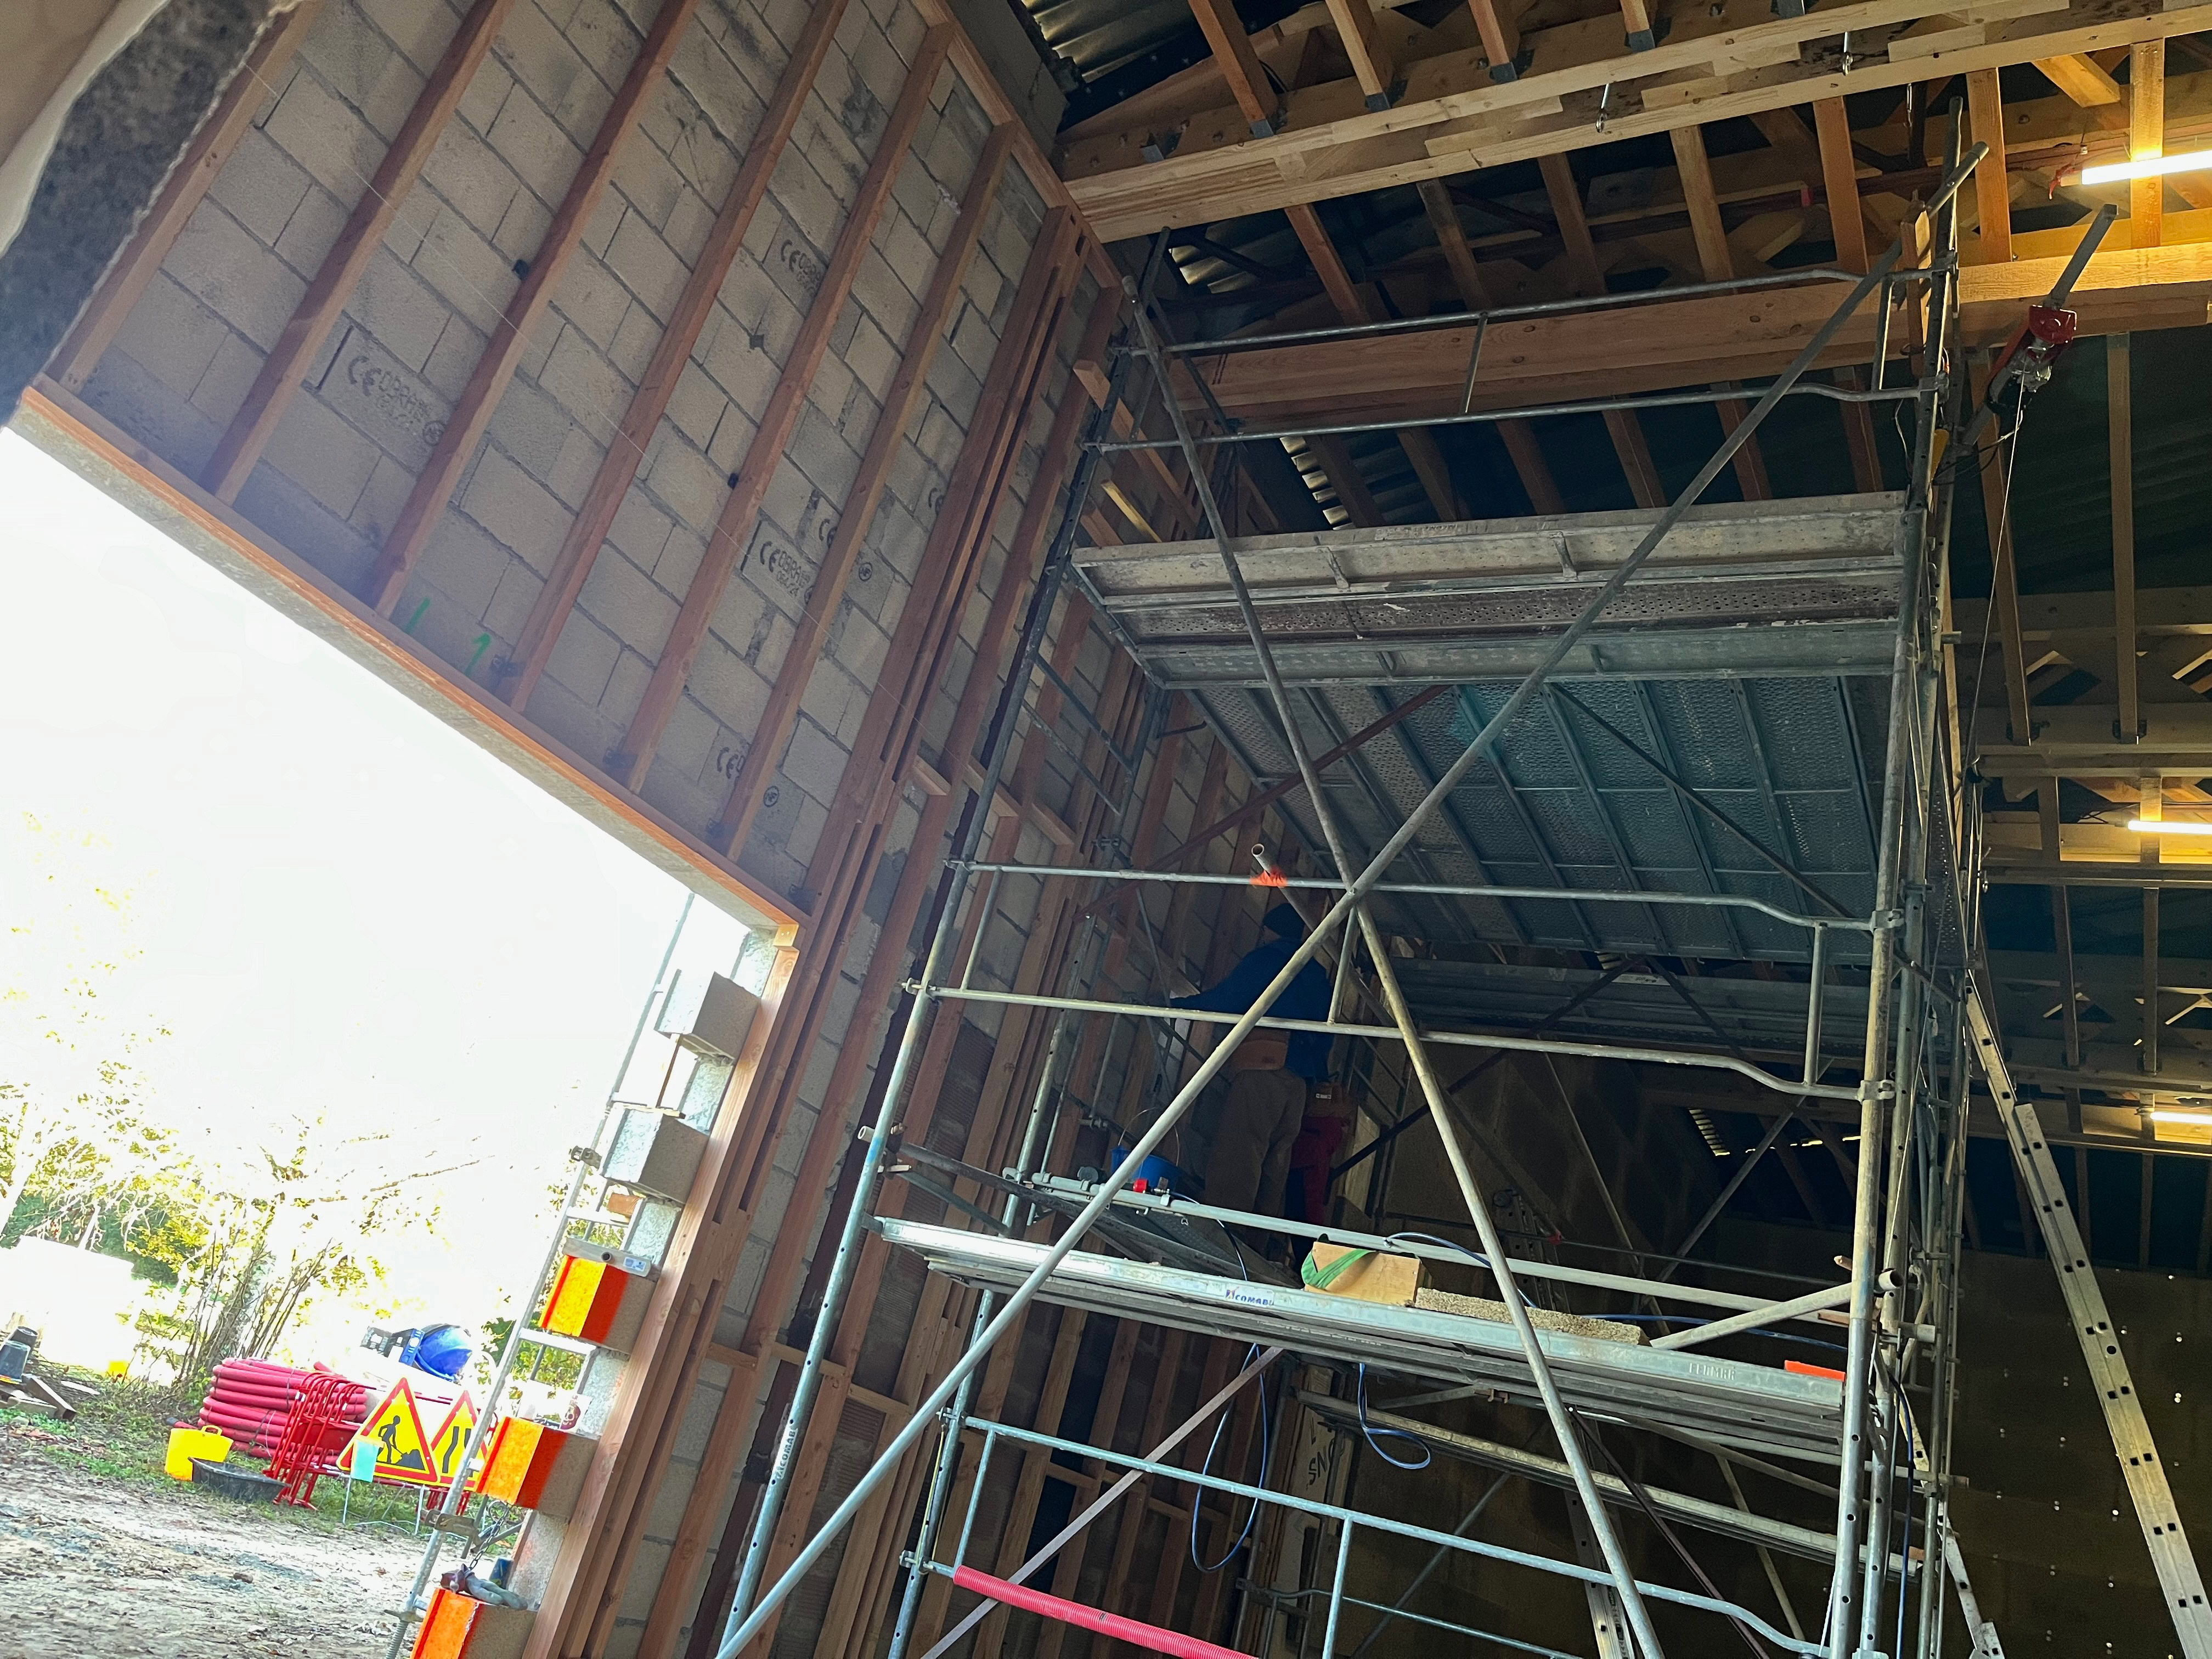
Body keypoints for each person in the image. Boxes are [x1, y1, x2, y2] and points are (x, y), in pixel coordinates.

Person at [1171, 902, 1332, 1218]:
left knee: (1241, 1147)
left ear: (1269, 930)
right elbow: (1327, 1035)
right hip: (1299, 1081)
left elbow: (1228, 999)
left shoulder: (1269, 959)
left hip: (1266, 1065)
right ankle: (1259, 1235)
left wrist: (1176, 1005)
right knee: (1276, 1160)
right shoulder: (1317, 975)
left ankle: (1226, 1225)